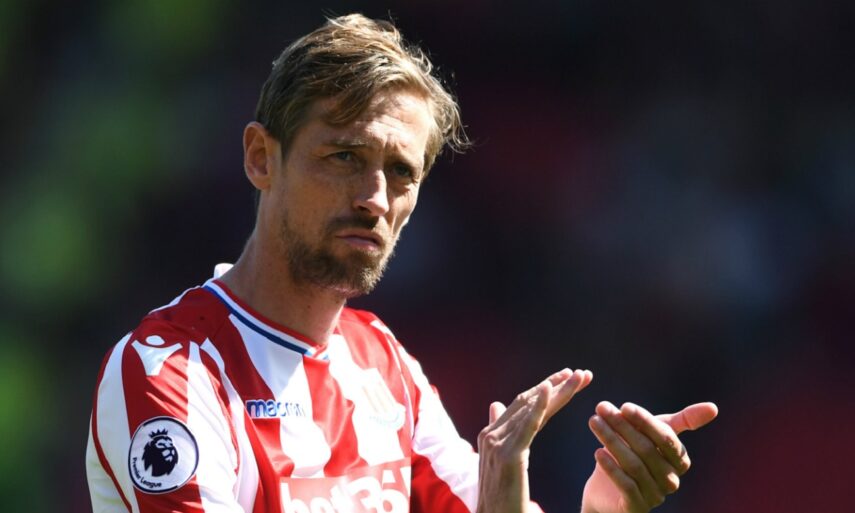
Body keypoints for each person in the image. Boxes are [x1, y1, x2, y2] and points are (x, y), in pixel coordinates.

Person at [86, 13, 718, 513]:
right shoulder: (169, 371)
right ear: (261, 158)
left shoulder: (382, 365)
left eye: (400, 172)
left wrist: (604, 506)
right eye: (344, 157)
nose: (374, 198)